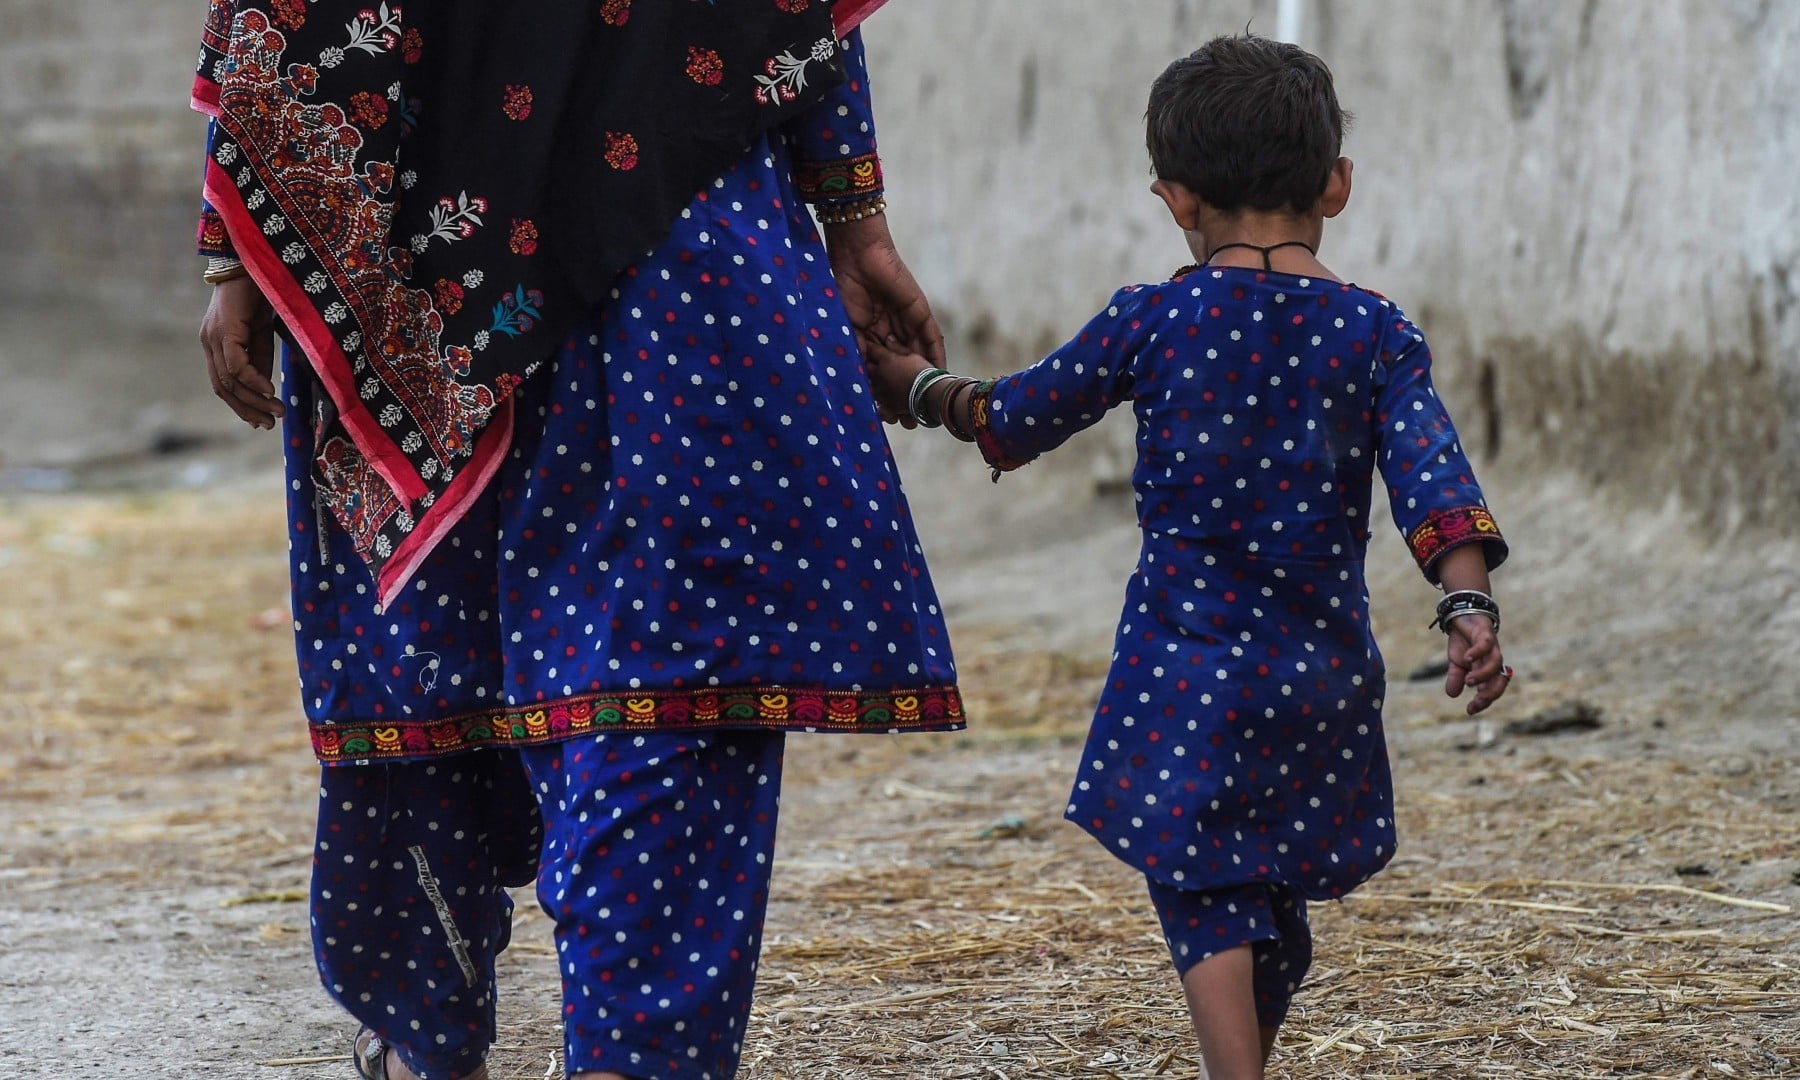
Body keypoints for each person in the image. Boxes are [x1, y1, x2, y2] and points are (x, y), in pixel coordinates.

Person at [191, 2, 960, 1078]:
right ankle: (626, 1049)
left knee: (433, 653)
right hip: (673, 244)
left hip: (412, 259)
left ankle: (431, 1033)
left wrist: (240, 250)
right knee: (652, 671)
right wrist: (856, 218)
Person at [865, 34, 1511, 1080]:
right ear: (1336, 185)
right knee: (1274, 905)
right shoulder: (1375, 335)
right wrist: (1465, 607)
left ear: (1175, 198)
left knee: (1205, 882)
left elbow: (1013, 420)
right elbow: (1435, 482)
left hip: (1188, 667)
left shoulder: (1155, 319)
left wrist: (919, 388)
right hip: (1322, 674)